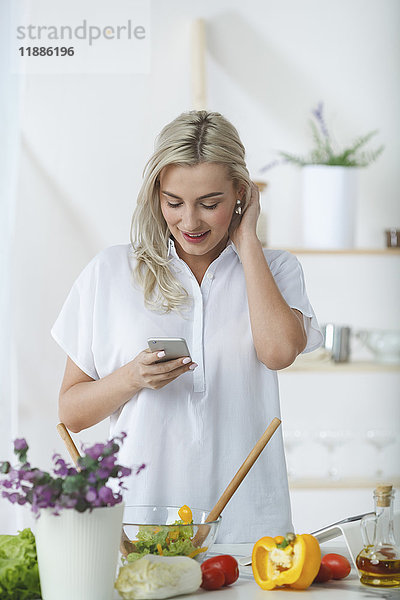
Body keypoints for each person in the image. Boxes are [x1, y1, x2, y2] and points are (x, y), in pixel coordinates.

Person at [51, 110, 322, 542]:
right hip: (139, 525)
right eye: (174, 202)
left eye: (210, 204)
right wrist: (131, 377)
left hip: (250, 528)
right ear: (155, 194)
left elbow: (278, 352)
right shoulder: (110, 271)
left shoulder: (276, 269)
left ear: (241, 193)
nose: (190, 222)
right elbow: (72, 414)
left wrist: (247, 240)